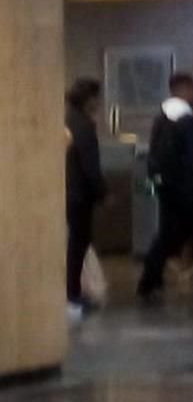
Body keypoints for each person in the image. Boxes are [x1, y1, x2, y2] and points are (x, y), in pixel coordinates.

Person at [138, 73, 193, 302]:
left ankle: (148, 281)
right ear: (185, 89)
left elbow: (155, 157)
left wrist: (154, 187)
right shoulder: (188, 120)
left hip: (167, 188)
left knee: (166, 236)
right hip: (190, 191)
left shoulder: (161, 117)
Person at [65, 79, 108, 321]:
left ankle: (72, 293)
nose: (99, 102)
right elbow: (90, 165)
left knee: (75, 245)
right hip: (80, 194)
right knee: (77, 246)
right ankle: (72, 295)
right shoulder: (83, 125)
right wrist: (103, 192)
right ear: (89, 99)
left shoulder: (66, 119)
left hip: (69, 191)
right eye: (96, 97)